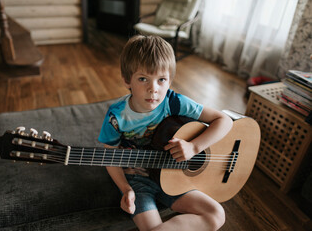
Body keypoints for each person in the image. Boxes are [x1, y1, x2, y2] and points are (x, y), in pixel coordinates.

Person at [98, 35, 233, 231]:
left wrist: (194, 146)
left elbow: (225, 120)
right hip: (138, 181)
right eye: (143, 78)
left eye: (161, 80)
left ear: (170, 81)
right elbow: (109, 156)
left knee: (217, 214)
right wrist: (126, 189)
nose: (153, 89)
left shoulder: (175, 102)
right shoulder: (116, 116)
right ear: (127, 80)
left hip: (175, 175)